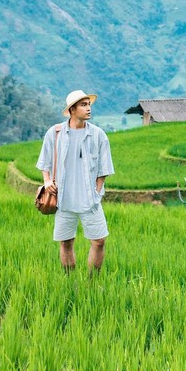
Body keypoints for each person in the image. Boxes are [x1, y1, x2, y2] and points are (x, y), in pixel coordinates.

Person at [37, 90, 115, 274]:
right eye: (83, 105)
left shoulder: (98, 135)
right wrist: (47, 181)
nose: (88, 108)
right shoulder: (54, 133)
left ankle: (92, 283)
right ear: (72, 110)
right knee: (66, 242)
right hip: (63, 199)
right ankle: (69, 282)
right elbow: (44, 161)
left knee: (99, 241)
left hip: (90, 200)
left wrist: (97, 192)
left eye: (89, 104)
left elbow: (104, 169)